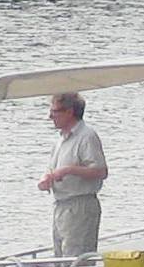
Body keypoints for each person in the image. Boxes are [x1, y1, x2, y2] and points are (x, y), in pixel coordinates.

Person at [38, 93, 109, 258]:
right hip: (61, 205)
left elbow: (101, 171)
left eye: (54, 111)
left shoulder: (87, 136)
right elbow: (51, 170)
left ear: (69, 112)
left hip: (80, 205)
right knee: (60, 257)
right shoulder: (60, 140)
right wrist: (46, 180)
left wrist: (68, 170)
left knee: (76, 258)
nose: (50, 117)